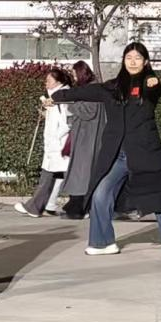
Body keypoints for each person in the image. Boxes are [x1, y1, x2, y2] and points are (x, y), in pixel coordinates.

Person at [48, 42, 161, 256]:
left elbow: (153, 89)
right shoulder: (112, 88)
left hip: (146, 153)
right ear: (123, 61)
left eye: (138, 58)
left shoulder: (149, 83)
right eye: (129, 58)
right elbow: (85, 91)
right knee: (100, 194)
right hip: (117, 155)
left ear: (145, 62)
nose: (133, 62)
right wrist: (56, 98)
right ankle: (102, 243)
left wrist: (153, 82)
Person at [15, 67, 73, 217]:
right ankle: (43, 205)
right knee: (56, 176)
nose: (46, 83)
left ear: (58, 82)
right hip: (56, 145)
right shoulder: (56, 99)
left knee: (54, 175)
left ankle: (35, 207)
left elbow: (67, 123)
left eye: (49, 80)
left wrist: (55, 137)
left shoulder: (62, 99)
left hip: (59, 145)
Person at [58, 60, 105, 219]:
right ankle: (79, 206)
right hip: (86, 136)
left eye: (74, 74)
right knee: (82, 173)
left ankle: (78, 208)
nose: (73, 77)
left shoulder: (91, 89)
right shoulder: (93, 88)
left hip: (87, 138)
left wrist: (71, 105)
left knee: (81, 173)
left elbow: (89, 111)